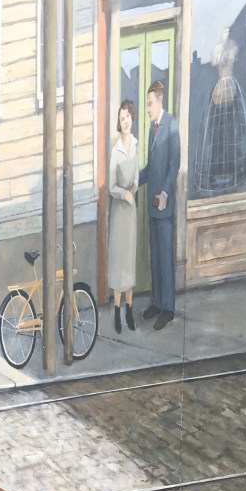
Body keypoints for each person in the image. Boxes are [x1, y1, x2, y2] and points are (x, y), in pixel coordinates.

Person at [138, 80, 180, 332]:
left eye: (150, 103)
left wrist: (165, 192)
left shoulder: (170, 125)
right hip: (151, 205)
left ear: (160, 100)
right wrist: (133, 181)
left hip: (163, 204)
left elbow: (174, 165)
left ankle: (168, 308)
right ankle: (156, 302)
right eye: (147, 104)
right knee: (154, 257)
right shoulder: (152, 129)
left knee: (165, 258)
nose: (148, 108)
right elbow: (150, 167)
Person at [194, 27, 246, 192]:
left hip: (231, 86)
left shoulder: (233, 46)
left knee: (232, 129)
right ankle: (216, 174)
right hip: (219, 88)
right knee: (216, 131)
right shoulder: (216, 49)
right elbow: (214, 62)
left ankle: (235, 172)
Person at [107, 99, 139, 334]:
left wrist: (134, 189)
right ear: (118, 123)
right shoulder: (115, 150)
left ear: (131, 117)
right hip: (119, 211)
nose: (124, 121)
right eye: (121, 118)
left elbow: (136, 175)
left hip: (131, 212)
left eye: (127, 116)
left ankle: (130, 309)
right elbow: (111, 187)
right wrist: (124, 194)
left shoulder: (135, 144)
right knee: (119, 262)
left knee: (129, 261)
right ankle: (117, 312)